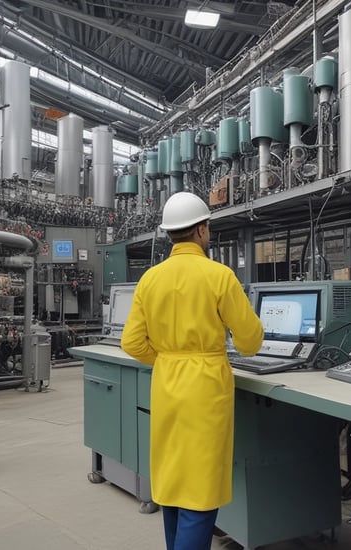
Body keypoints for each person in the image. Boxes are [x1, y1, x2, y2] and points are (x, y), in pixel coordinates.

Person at [121, 192, 264, 550]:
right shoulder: (219, 275)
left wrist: (170, 359)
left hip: (167, 382)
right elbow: (249, 341)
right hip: (205, 386)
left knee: (172, 481)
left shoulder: (150, 279)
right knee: (201, 489)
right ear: (201, 230)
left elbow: (132, 343)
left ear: (171, 234)